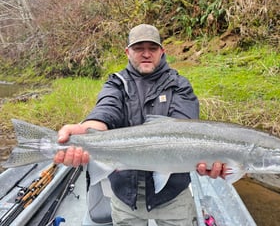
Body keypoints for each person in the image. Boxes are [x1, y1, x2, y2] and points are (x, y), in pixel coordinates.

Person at [54, 24, 227, 226]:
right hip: (125, 194)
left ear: (162, 51)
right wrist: (86, 128)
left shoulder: (180, 85)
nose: (146, 54)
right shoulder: (116, 83)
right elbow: (106, 111)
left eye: (152, 48)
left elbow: (184, 131)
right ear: (128, 52)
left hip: (172, 195)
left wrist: (209, 156)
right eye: (139, 48)